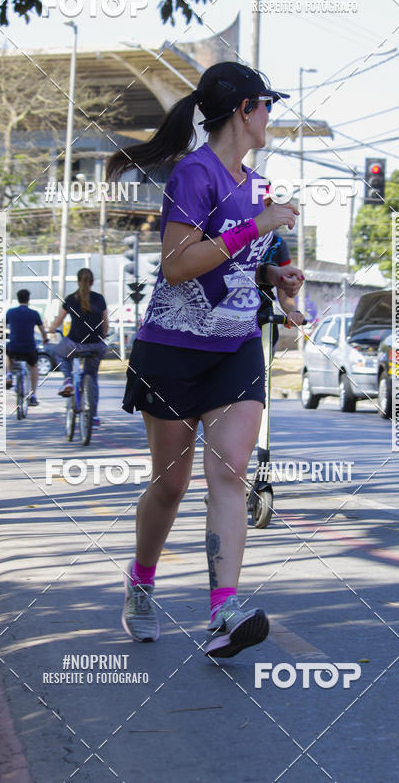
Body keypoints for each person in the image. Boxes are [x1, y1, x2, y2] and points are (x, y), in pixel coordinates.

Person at [107, 61, 304, 658]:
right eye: (267, 105)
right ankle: (141, 584)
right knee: (171, 485)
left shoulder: (256, 181)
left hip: (235, 348)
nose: (272, 116)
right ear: (244, 110)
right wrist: (255, 228)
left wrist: (280, 277)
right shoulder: (194, 173)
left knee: (230, 473)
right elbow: (177, 264)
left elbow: (244, 262)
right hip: (173, 350)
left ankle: (223, 612)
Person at [47, 268, 109, 426]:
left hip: (75, 343)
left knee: (59, 354)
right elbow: (105, 323)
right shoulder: (99, 298)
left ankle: (68, 379)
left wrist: (51, 329)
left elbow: (59, 321)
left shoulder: (70, 299)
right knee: (92, 377)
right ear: (92, 282)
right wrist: (103, 335)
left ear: (78, 281)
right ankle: (94, 417)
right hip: (96, 345)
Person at [5, 290, 48, 406]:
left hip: (14, 347)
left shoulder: (10, 312)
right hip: (29, 348)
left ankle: (8, 374)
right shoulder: (34, 313)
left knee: (8, 354)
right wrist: (45, 339)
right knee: (34, 366)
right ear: (28, 299)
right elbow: (42, 330)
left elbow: (1, 327)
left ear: (18, 299)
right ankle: (33, 396)